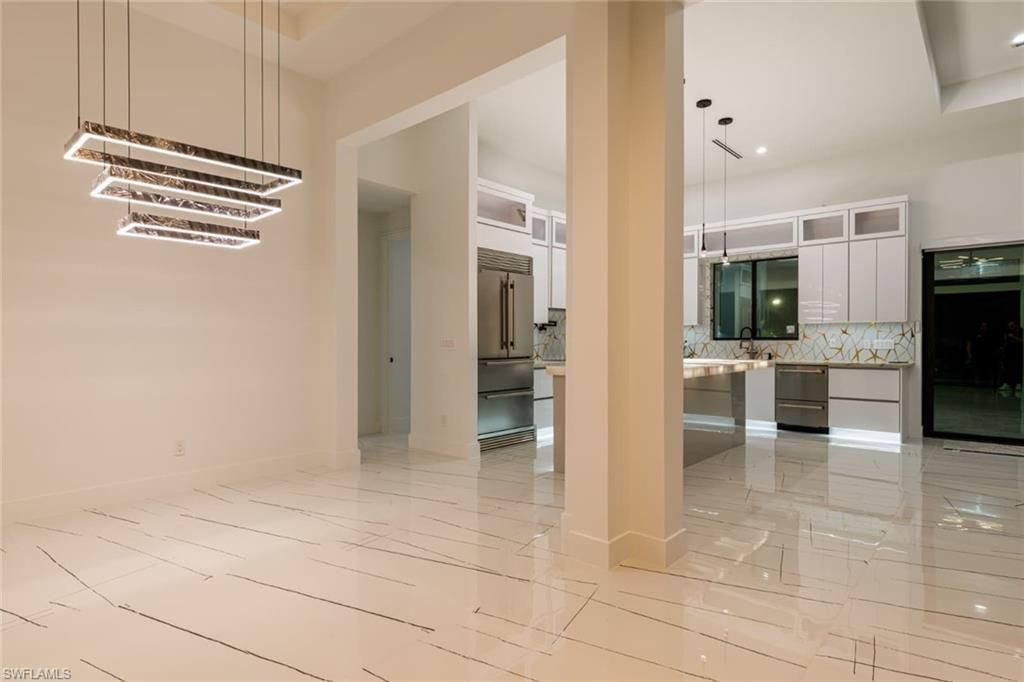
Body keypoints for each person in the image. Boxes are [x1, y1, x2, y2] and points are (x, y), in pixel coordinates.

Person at [967, 321, 997, 388]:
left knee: (989, 369)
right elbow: (969, 344)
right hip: (976, 355)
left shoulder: (990, 334)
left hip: (987, 355)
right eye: (983, 325)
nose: (984, 327)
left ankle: (991, 383)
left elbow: (993, 345)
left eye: (985, 325)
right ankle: (977, 383)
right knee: (976, 369)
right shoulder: (975, 334)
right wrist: (969, 354)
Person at [999, 320, 1022, 396]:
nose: (1010, 327)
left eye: (1012, 325)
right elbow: (1005, 341)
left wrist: (1014, 337)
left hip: (1018, 353)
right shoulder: (1007, 332)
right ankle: (1006, 384)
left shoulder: (1020, 331)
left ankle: (1018, 384)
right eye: (1009, 326)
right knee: (1007, 368)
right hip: (1008, 353)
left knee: (1017, 368)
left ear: (1015, 325)